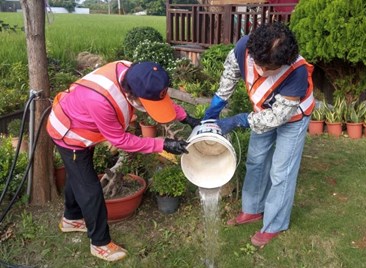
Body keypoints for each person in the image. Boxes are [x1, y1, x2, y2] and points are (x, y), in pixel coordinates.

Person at [46, 61, 200, 262]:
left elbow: (159, 99)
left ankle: (71, 218)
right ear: (131, 96)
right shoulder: (101, 101)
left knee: (78, 177)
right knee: (89, 188)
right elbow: (121, 140)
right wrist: (162, 144)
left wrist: (186, 117)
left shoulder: (136, 74)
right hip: (69, 133)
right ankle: (100, 243)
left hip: (83, 123)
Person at [203, 22, 314, 247]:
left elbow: (279, 117)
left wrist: (238, 120)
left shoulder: (297, 71)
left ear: (284, 61)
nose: (262, 70)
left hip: (293, 118)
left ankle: (275, 224)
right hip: (262, 111)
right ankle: (253, 210)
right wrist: (214, 109)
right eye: (259, 63)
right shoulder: (244, 47)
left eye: (269, 67)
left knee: (281, 171)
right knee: (255, 161)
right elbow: (229, 77)